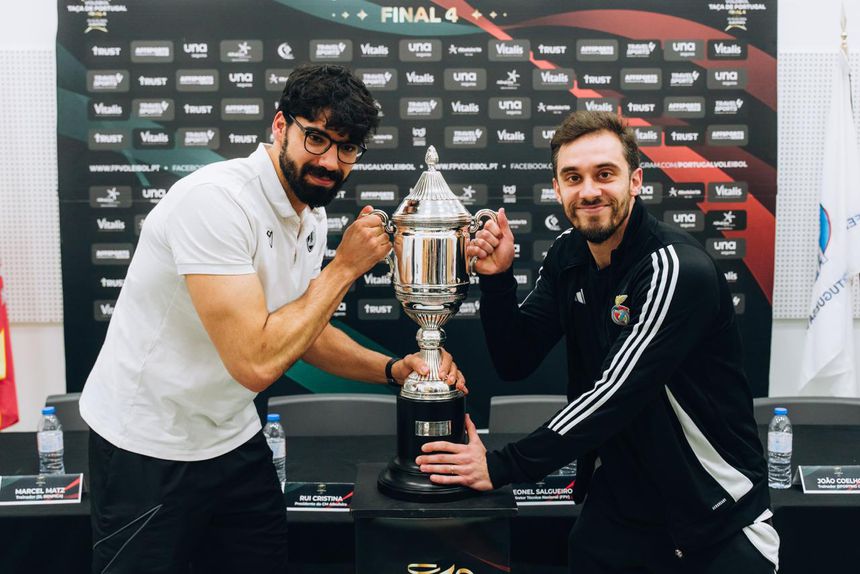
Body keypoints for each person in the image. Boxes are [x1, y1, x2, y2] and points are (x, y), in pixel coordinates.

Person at [80, 63, 465, 573]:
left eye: (347, 148)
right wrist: (344, 268)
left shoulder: (310, 210)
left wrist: (393, 370)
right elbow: (256, 363)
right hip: (148, 449)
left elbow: (298, 332)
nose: (330, 161)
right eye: (317, 139)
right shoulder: (215, 202)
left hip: (234, 439)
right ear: (280, 126)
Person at [416, 111, 779, 573]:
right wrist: (499, 281)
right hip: (620, 514)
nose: (589, 191)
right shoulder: (570, 252)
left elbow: (615, 393)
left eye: (604, 174)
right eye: (573, 177)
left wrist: (504, 465)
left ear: (635, 181)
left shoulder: (675, 269)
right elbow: (515, 358)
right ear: (557, 189)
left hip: (715, 517)